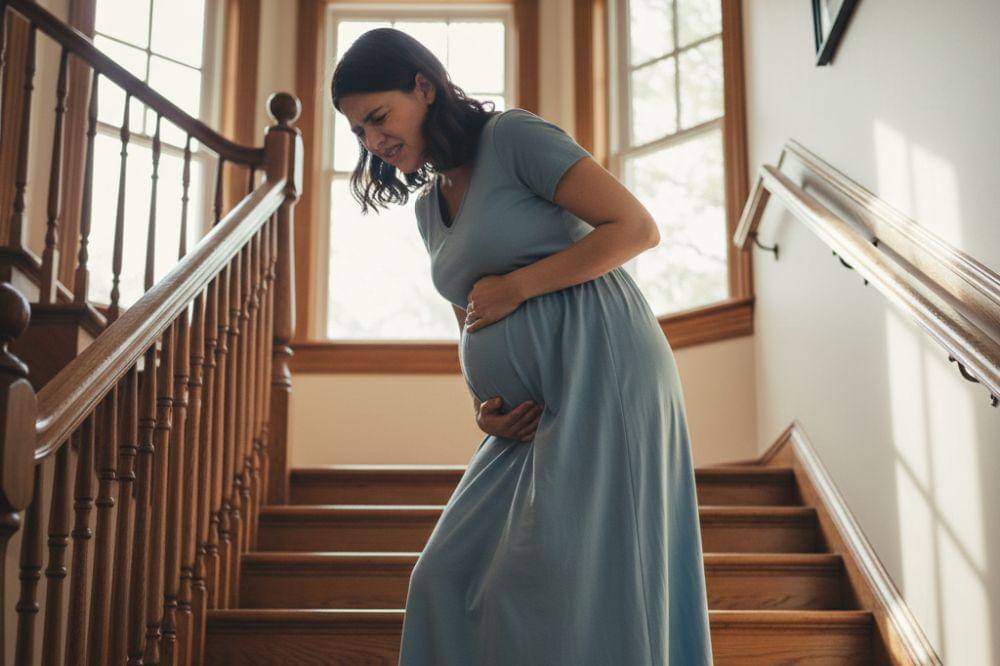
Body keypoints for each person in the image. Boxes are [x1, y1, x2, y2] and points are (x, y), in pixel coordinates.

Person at [331, 27, 713, 666]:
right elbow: (470, 312)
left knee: (573, 581)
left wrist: (520, 286)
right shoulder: (429, 207)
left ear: (423, 87)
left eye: (378, 117)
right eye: (358, 132)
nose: (373, 141)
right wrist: (481, 404)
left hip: (601, 369)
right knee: (442, 577)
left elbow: (636, 228)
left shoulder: (513, 138)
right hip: (521, 421)